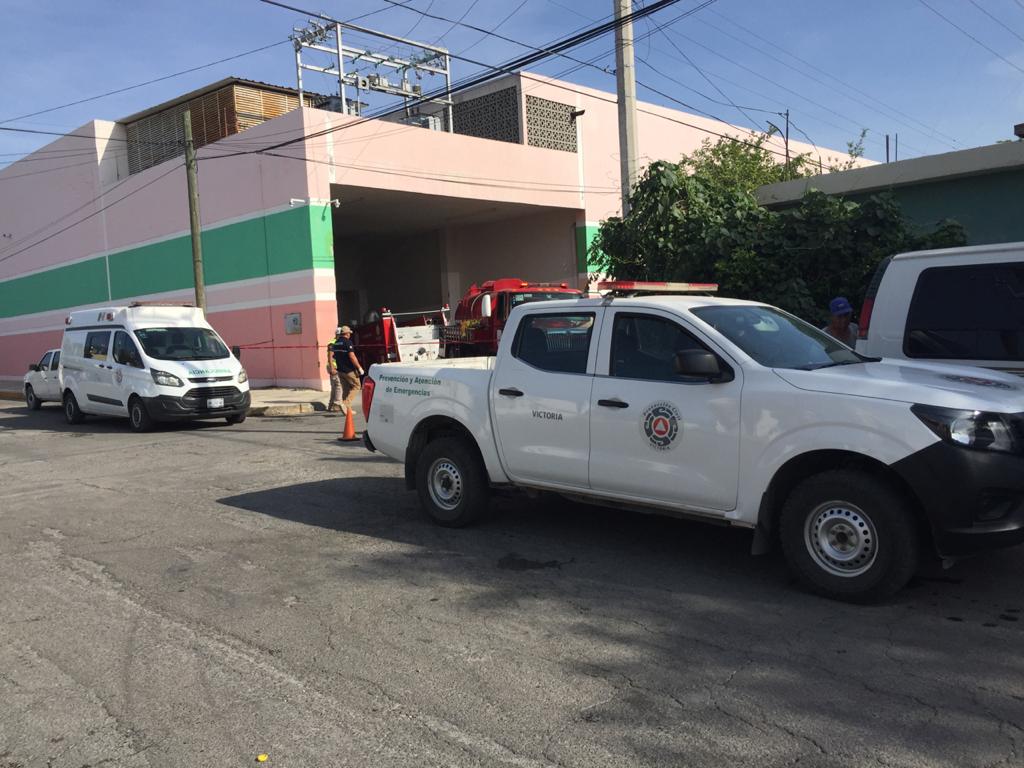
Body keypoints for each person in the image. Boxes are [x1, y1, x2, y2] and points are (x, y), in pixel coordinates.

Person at [330, 325, 364, 416]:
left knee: (346, 389)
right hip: (349, 370)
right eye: (349, 333)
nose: (350, 335)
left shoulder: (336, 343)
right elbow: (352, 356)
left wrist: (333, 367)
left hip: (340, 370)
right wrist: (359, 367)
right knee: (357, 386)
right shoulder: (348, 342)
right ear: (347, 333)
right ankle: (345, 404)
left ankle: (347, 410)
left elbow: (333, 356)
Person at [326, 326, 344, 412]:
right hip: (334, 367)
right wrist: (332, 368)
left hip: (334, 366)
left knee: (334, 387)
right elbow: (330, 356)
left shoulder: (335, 343)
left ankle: (331, 405)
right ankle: (336, 404)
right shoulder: (333, 343)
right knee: (339, 385)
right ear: (339, 335)